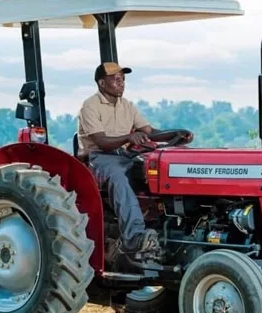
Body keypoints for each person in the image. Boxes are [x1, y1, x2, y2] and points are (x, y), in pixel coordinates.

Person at [77, 62, 192, 262]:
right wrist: (128, 138)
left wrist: (176, 134)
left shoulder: (127, 105)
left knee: (153, 171)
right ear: (102, 83)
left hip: (124, 155)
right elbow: (101, 142)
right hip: (99, 158)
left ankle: (171, 231)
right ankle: (134, 237)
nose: (121, 82)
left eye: (122, 78)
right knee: (119, 178)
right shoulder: (90, 106)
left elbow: (150, 132)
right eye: (116, 79)